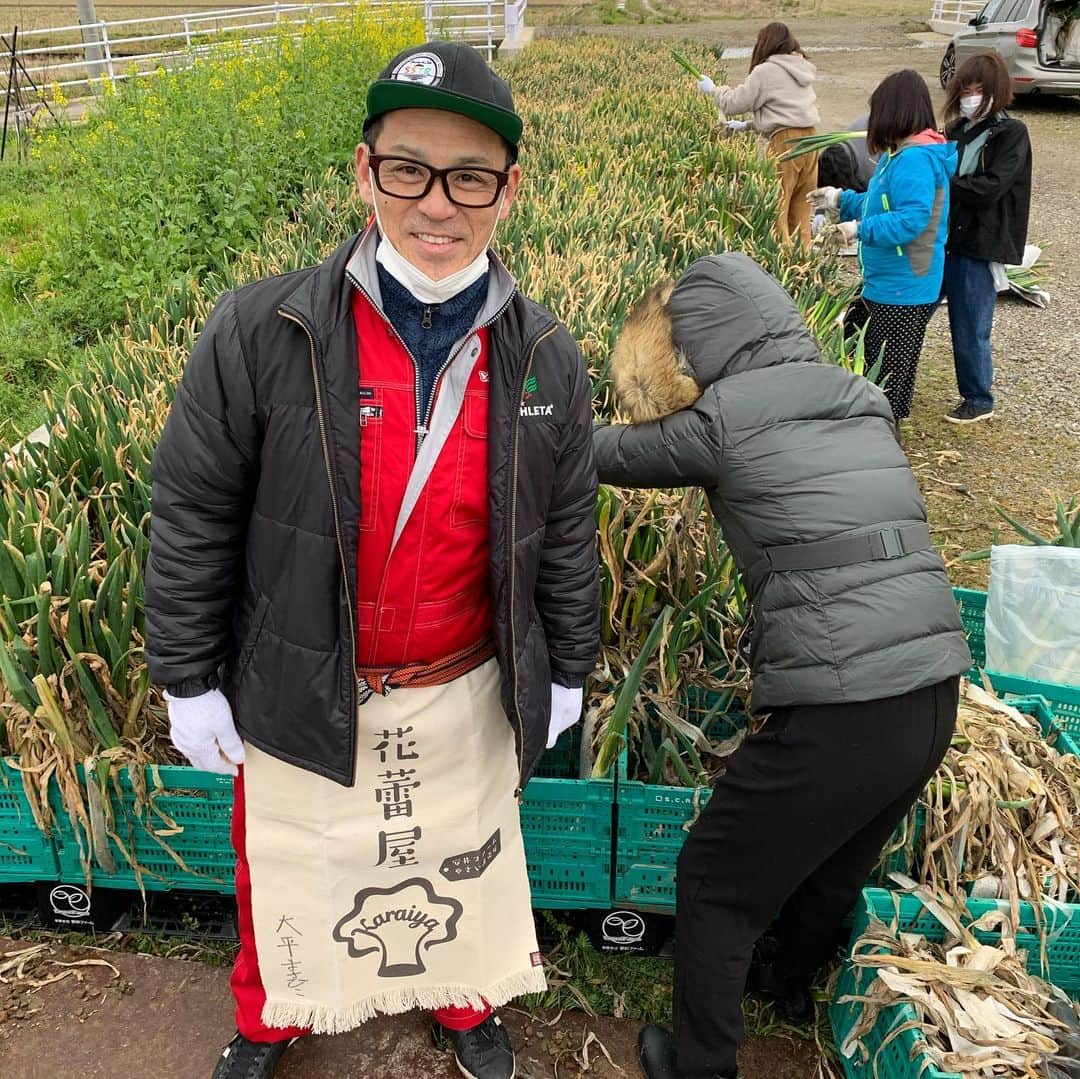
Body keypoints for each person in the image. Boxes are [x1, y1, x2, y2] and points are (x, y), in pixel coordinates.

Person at [144, 41, 600, 1079]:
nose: (437, 204)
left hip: (462, 683)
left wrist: (566, 665)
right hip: (306, 675)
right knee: (288, 872)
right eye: (409, 169)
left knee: (462, 861)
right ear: (365, 172)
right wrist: (188, 677)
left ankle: (463, 999)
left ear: (508, 190)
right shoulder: (266, 328)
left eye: (469, 177)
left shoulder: (542, 355)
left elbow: (566, 530)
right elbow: (193, 507)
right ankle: (267, 1020)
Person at [592, 253, 971, 1079]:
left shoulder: (723, 417)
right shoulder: (859, 398)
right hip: (935, 685)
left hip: (843, 702)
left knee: (715, 881)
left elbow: (603, 454)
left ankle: (700, 1065)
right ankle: (787, 988)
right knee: (834, 860)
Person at [807, 70, 956, 425]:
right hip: (885, 277)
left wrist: (858, 230)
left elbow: (910, 220)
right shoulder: (898, 155)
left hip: (905, 282)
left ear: (895, 111)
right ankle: (865, 424)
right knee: (855, 340)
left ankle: (884, 434)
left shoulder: (917, 159)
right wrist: (839, 199)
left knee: (886, 371)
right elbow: (881, 205)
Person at [940, 50, 1032, 424]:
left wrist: (945, 185)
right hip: (944, 238)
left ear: (997, 92)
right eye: (966, 89)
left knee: (969, 324)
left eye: (979, 89)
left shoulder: (1010, 133)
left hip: (979, 242)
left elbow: (991, 188)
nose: (971, 96)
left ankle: (978, 398)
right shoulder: (955, 131)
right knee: (913, 310)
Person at [696, 22, 820, 245]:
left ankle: (780, 262)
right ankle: (803, 265)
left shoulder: (766, 71)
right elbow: (787, 112)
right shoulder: (801, 67)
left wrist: (712, 89)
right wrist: (746, 126)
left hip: (787, 143)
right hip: (811, 141)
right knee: (802, 209)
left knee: (778, 206)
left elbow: (734, 103)